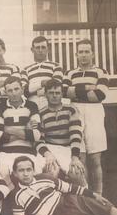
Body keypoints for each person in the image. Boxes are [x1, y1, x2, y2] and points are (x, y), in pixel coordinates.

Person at [11, 156, 117, 215]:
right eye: (21, 171)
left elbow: (71, 188)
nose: (26, 174)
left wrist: (94, 195)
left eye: (29, 170)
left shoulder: (44, 178)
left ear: (33, 170)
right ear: (15, 174)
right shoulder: (16, 195)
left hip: (76, 202)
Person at [63, 39, 110, 194]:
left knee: (95, 159)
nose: (83, 55)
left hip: (94, 113)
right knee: (80, 157)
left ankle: (99, 196)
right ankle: (86, 196)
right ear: (76, 55)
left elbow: (100, 95)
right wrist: (88, 88)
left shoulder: (101, 72)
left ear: (92, 54)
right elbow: (64, 92)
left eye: (87, 52)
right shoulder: (69, 73)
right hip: (75, 112)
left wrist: (75, 91)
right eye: (80, 52)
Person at [0, 76, 44, 189]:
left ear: (22, 89)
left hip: (28, 152)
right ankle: (12, 198)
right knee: (3, 171)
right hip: (5, 153)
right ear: (5, 92)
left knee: (36, 173)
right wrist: (25, 130)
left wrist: (8, 129)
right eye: (10, 90)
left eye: (16, 89)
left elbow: (36, 136)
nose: (14, 93)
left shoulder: (32, 106)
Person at [37, 79, 87, 186]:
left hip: (67, 148)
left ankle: (86, 201)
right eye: (51, 93)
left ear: (62, 94)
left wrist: (75, 157)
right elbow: (39, 139)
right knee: (50, 173)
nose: (54, 96)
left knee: (76, 173)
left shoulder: (71, 110)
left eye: (57, 93)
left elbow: (76, 135)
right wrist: (47, 154)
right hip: (50, 148)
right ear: (45, 94)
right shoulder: (41, 113)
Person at [22, 36, 63, 110]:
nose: (40, 50)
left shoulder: (56, 66)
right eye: (37, 48)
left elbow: (56, 87)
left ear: (48, 49)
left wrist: (33, 89)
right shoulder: (26, 70)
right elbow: (24, 91)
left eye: (43, 47)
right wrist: (42, 83)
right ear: (32, 50)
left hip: (50, 105)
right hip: (31, 105)